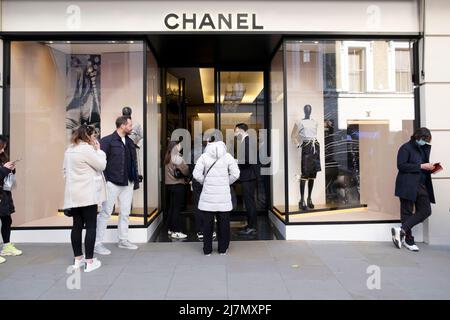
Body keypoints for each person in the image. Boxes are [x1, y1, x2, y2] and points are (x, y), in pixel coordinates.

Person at [94, 116, 140, 255]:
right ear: (122, 126)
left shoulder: (130, 142)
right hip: (112, 183)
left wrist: (135, 181)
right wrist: (106, 181)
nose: (131, 127)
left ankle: (123, 240)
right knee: (105, 213)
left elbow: (134, 162)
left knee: (125, 213)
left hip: (128, 182)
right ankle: (97, 243)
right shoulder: (107, 141)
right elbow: (99, 161)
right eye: (130, 125)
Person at [63, 125, 106, 272]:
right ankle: (89, 261)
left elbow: (64, 171)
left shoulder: (69, 150)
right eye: (94, 135)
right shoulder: (87, 149)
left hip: (73, 195)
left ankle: (78, 260)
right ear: (87, 136)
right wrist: (99, 151)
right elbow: (101, 165)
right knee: (91, 226)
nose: (95, 138)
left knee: (77, 226)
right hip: (88, 194)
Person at [193, 136, 240, 255]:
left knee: (207, 225)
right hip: (223, 197)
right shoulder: (228, 156)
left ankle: (207, 250)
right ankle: (222, 249)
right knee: (224, 224)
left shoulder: (204, 157)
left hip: (208, 197)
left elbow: (196, 174)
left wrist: (204, 181)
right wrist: (226, 182)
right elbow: (236, 174)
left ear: (209, 143)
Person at [392, 127, 436, 252]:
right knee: (407, 211)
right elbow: (401, 166)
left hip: (421, 184)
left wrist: (430, 169)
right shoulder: (405, 148)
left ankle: (401, 230)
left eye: (427, 140)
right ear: (417, 137)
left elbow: (421, 166)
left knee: (426, 210)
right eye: (424, 139)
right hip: (407, 184)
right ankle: (408, 240)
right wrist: (421, 166)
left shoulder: (423, 149)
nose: (425, 142)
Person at [291, 104, 321, 210]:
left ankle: (309, 198)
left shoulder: (315, 122)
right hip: (307, 147)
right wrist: (298, 145)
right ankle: (302, 199)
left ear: (311, 110)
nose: (308, 111)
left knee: (313, 174)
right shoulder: (299, 122)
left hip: (315, 147)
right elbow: (293, 135)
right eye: (306, 109)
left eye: (309, 109)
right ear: (304, 110)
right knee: (304, 174)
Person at [0, 135, 22, 264]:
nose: (3, 151)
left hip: (5, 194)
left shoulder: (3, 157)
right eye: (2, 148)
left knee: (7, 220)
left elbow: (5, 174)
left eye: (4, 148)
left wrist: (12, 169)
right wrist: (4, 169)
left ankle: (7, 246)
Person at [235, 123, 258, 235]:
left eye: (236, 131)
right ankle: (250, 225)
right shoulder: (246, 141)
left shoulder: (247, 141)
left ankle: (252, 227)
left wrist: (236, 162)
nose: (235, 133)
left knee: (249, 202)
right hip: (248, 176)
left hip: (248, 176)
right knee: (249, 202)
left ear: (241, 130)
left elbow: (248, 160)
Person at [164, 140, 190, 239]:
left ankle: (170, 229)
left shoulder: (168, 156)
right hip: (177, 185)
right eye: (179, 145)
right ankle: (176, 231)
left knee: (172, 208)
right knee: (177, 209)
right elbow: (186, 170)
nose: (180, 146)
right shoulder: (177, 157)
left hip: (169, 185)